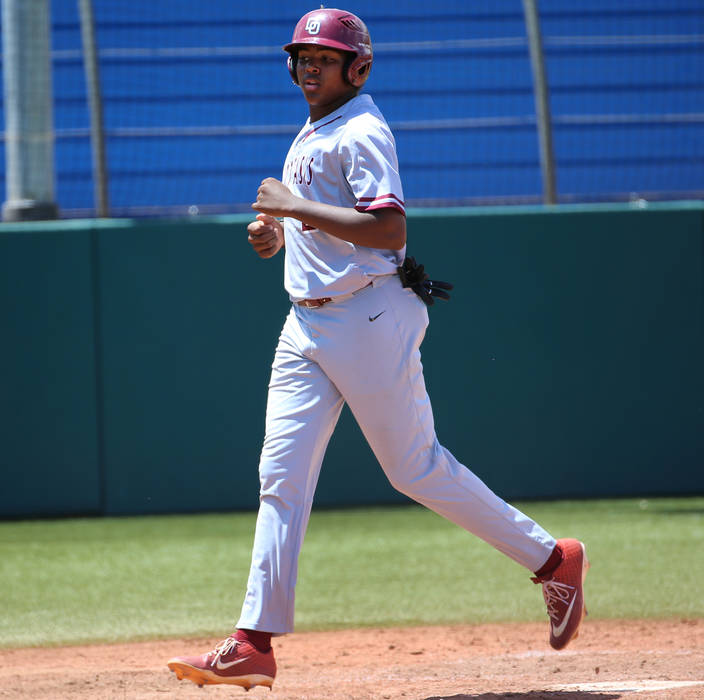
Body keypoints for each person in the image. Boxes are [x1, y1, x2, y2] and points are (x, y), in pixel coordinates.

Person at [167, 8, 588, 691]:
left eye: (323, 57)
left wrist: (295, 210)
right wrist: (278, 234)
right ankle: (254, 641)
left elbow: (389, 228)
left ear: (356, 68)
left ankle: (553, 559)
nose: (309, 65)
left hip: (366, 317)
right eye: (303, 55)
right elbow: (324, 222)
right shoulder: (315, 127)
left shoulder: (362, 128)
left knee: (415, 469)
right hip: (306, 323)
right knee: (281, 474)